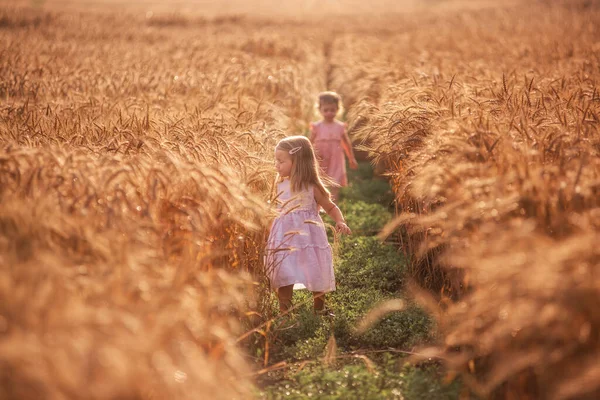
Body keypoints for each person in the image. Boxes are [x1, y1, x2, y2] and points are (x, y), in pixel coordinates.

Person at [266, 135, 352, 316]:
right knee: (284, 273)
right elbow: (271, 211)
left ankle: (319, 309)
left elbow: (330, 207)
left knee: (316, 271)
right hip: (284, 239)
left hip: (309, 238)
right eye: (276, 161)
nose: (276, 165)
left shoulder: (311, 187)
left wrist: (340, 220)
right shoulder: (278, 185)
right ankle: (285, 311)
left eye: (281, 161)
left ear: (297, 161)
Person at [309, 91, 358, 201]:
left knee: (335, 181)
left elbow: (346, 143)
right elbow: (309, 142)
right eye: (326, 110)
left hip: (336, 158)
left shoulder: (340, 127)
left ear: (338, 109)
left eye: (332, 110)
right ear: (320, 110)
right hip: (320, 156)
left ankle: (333, 205)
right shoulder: (317, 126)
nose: (329, 113)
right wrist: (307, 155)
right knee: (319, 179)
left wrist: (351, 158)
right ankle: (320, 203)